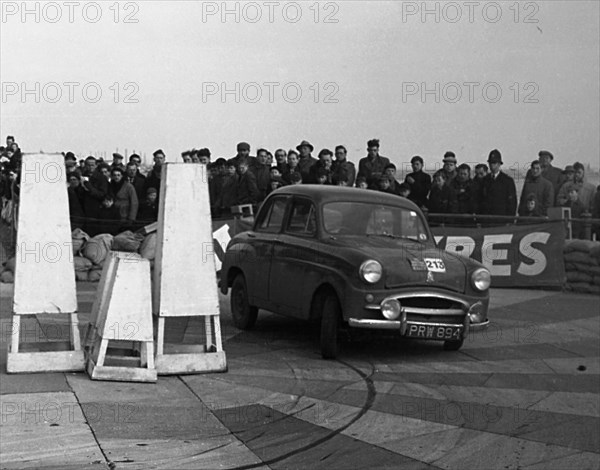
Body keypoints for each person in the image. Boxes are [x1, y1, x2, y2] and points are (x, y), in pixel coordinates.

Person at [481, 149, 517, 216]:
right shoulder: (484, 180)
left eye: (494, 163)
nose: (492, 165)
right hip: (487, 221)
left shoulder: (508, 181)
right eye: (490, 163)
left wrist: (510, 220)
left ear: (499, 164)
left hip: (501, 220)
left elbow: (512, 204)